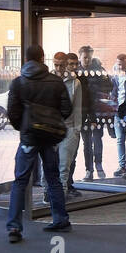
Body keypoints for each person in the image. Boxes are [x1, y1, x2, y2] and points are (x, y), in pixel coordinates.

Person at [5, 44, 73, 243]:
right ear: (43, 59)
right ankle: (60, 219)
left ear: (25, 60)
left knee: (20, 181)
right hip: (50, 137)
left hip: (29, 138)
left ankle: (15, 227)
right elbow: (66, 109)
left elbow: (13, 113)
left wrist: (26, 127)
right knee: (53, 177)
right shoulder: (56, 82)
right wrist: (51, 121)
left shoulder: (19, 82)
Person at [54, 52, 84, 199]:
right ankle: (50, 194)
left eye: (61, 65)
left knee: (64, 166)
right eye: (56, 65)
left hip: (69, 128)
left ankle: (61, 195)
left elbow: (77, 107)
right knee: (50, 165)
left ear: (66, 64)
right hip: (51, 129)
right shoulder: (48, 80)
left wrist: (76, 130)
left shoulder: (75, 83)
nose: (58, 68)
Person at [77, 45, 108, 180]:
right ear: (80, 57)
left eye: (89, 57)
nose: (87, 60)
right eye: (85, 58)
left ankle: (98, 165)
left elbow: (109, 87)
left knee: (97, 139)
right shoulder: (76, 72)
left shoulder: (98, 70)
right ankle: (89, 169)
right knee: (87, 142)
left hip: (97, 110)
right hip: (83, 112)